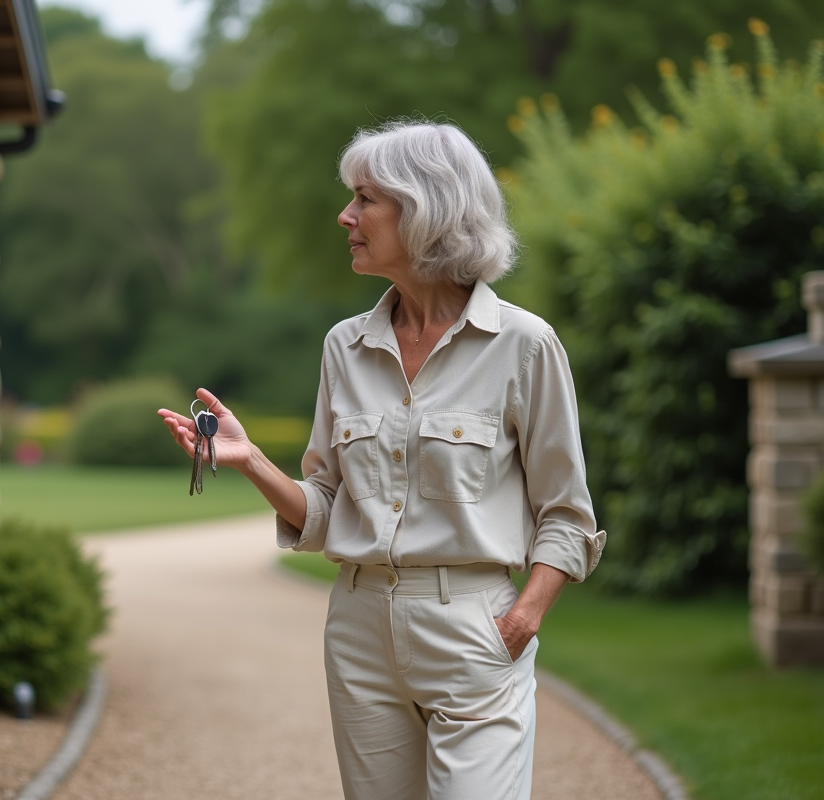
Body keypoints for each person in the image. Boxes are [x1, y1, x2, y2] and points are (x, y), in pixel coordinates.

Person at [158, 120, 606, 800]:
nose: (346, 216)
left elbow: (567, 516)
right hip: (360, 631)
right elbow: (326, 511)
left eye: (365, 199)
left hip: (474, 628)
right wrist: (249, 461)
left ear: (426, 208)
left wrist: (522, 620)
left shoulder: (524, 344)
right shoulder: (345, 346)